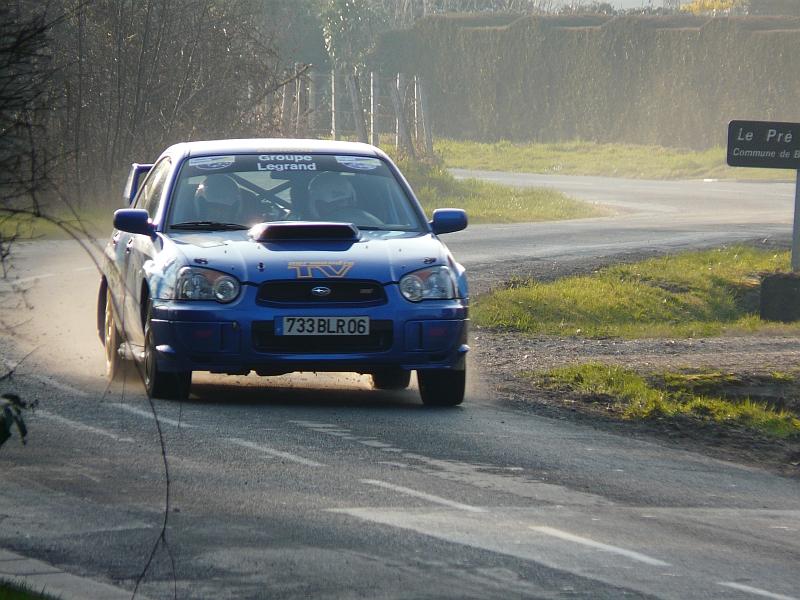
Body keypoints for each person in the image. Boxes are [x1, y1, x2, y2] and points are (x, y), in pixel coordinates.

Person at [307, 171, 383, 227]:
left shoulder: (372, 224)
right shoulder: (300, 228)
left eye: (348, 203)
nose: (343, 208)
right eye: (334, 205)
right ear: (317, 205)